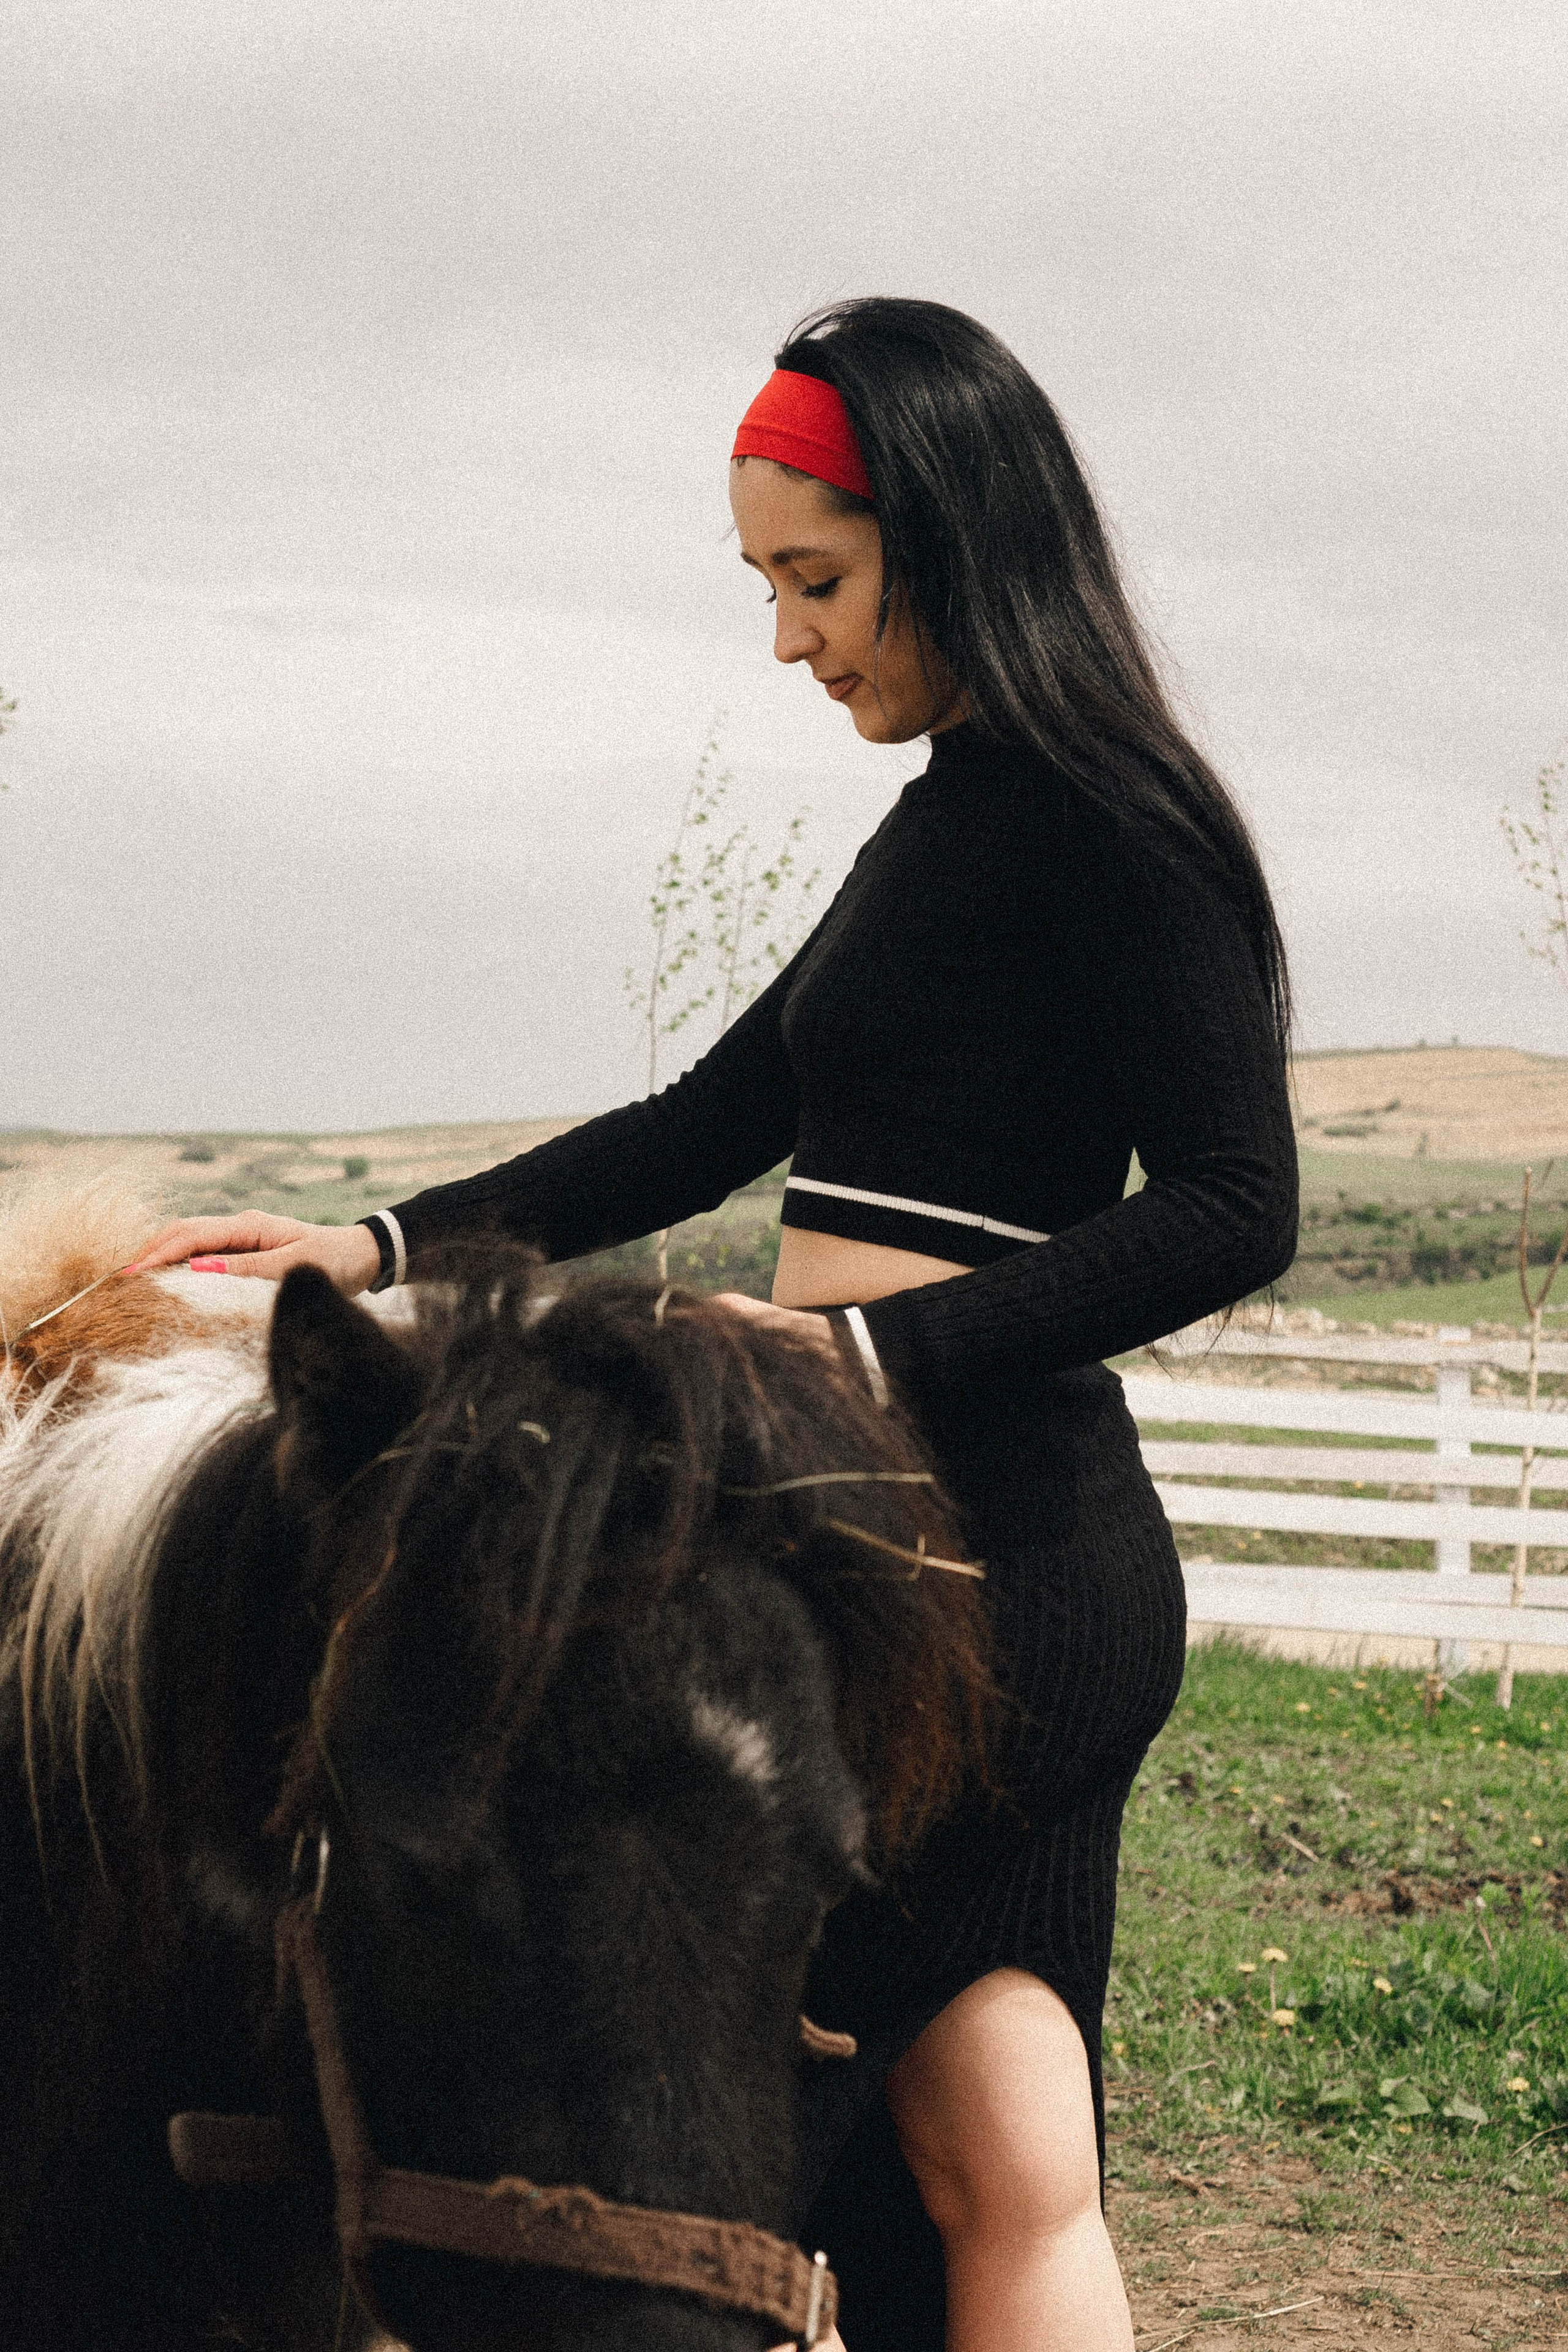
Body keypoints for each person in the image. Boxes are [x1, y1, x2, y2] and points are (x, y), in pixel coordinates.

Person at [132, 297, 1297, 2351]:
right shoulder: (956, 815)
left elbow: (1235, 1204)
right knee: (994, 2156)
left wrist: (853, 1366)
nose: (788, 640)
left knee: (799, 2161)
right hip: (913, 1538)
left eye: (817, 581)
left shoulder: (1107, 817)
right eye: (767, 587)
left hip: (996, 1554)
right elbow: (705, 1123)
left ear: (952, 533)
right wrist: (373, 1246)